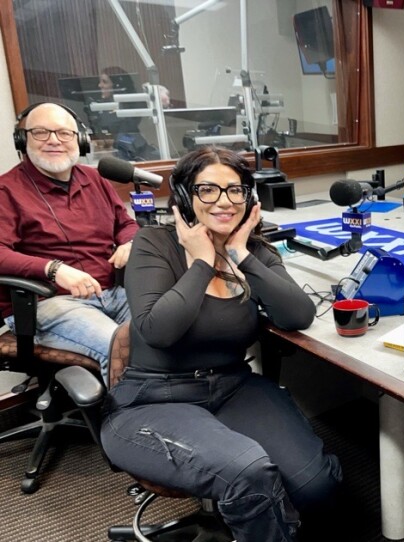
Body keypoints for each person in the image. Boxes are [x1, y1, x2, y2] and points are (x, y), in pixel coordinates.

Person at [100, 147, 342, 541]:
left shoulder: (254, 250)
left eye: (235, 190)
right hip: (153, 400)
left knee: (315, 485)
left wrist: (240, 254)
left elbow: (298, 314)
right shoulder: (153, 245)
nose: (224, 201)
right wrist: (200, 261)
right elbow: (158, 331)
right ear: (184, 197)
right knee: (246, 471)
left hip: (233, 387)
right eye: (208, 190)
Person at [0, 102, 138, 381]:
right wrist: (54, 269)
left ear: (81, 140)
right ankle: (131, 423)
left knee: (166, 332)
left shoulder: (95, 180)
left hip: (111, 291)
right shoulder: (6, 190)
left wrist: (128, 242)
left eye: (64, 133)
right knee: (124, 348)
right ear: (22, 139)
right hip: (49, 302)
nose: (54, 140)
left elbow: (126, 223)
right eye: (40, 132)